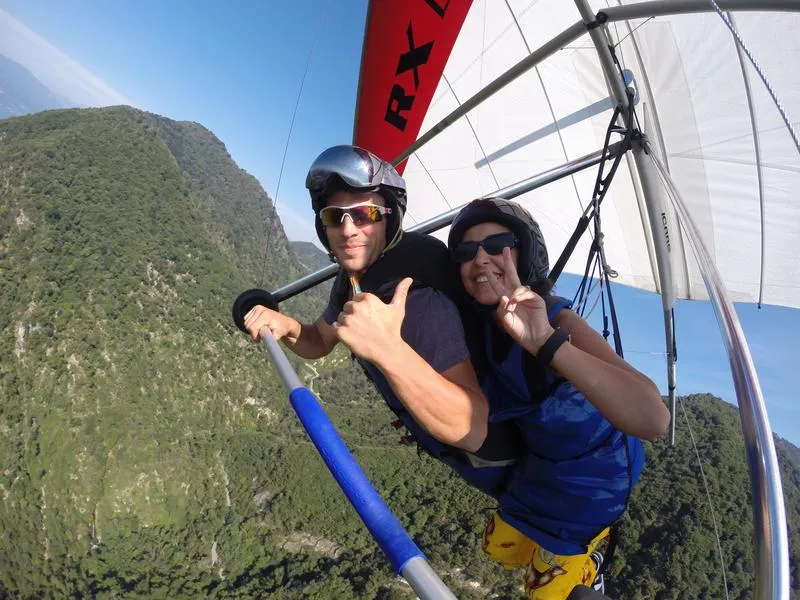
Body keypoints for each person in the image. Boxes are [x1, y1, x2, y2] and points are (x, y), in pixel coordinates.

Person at [243, 145, 521, 497]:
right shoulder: (355, 278)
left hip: (498, 464)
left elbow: (474, 426)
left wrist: (387, 350)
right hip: (449, 448)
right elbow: (320, 341)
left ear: (389, 219)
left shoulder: (415, 299)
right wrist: (286, 326)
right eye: (334, 217)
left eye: (365, 214)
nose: (348, 230)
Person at [447, 197, 670, 600]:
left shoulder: (555, 319)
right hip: (544, 462)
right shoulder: (481, 330)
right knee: (501, 548)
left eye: (497, 245)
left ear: (526, 254)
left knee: (547, 591)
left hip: (593, 479)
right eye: (466, 251)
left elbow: (652, 416)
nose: (479, 258)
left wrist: (546, 343)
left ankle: (590, 563)